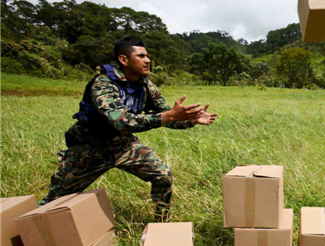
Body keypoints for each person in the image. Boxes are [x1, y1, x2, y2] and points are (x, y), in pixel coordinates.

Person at [38, 36, 218, 222]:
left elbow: (166, 116)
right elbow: (121, 122)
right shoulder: (103, 84)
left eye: (147, 55)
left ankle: (162, 224)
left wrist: (190, 120)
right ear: (123, 60)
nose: (147, 60)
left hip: (124, 145)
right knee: (54, 201)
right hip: (90, 149)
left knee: (163, 176)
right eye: (141, 56)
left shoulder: (145, 85)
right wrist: (169, 115)